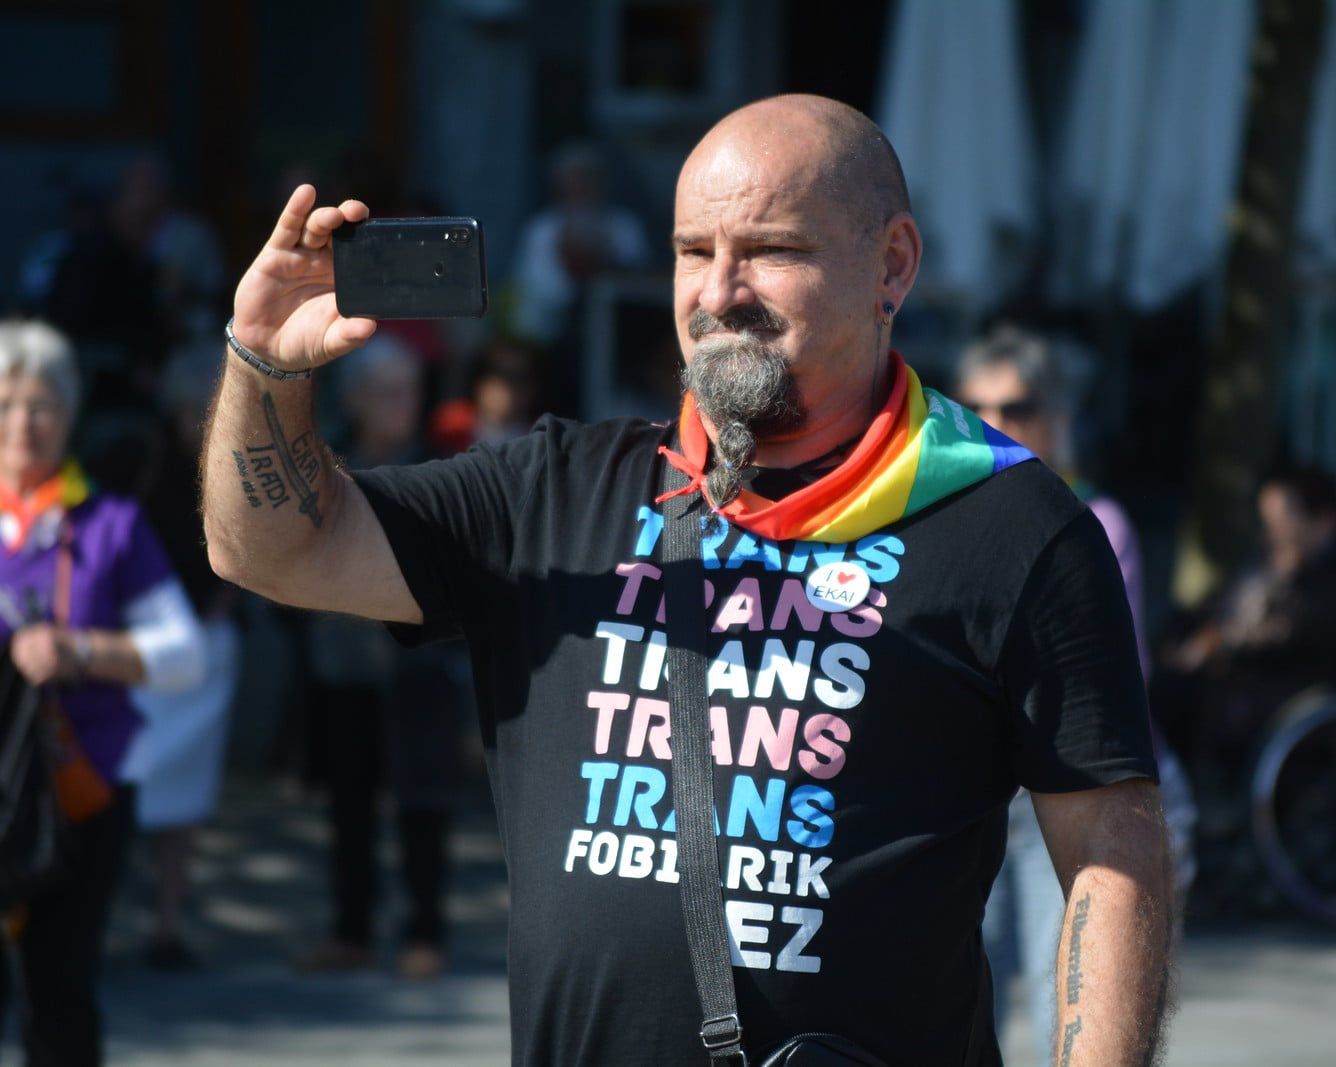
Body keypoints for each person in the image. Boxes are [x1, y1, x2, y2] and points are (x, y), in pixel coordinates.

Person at [201, 94, 1170, 1064]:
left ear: (892, 264)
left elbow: (1110, 849)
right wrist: (263, 364)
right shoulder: (551, 490)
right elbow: (275, 548)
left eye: (772, 249)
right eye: (691, 250)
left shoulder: (1009, 525)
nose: (719, 291)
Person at [954, 325, 1195, 1063]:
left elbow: (1083, 691)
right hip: (969, 796)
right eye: (977, 405)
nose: (997, 422)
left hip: (1065, 799)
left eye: (1018, 405)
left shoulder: (1093, 524)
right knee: (954, 1004)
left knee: (1073, 1018)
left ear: (1057, 418)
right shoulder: (940, 521)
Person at [0, 320, 203, 1066]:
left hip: (78, 795)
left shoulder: (110, 525)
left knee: (57, 994)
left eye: (42, 403)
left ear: (71, 412)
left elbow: (185, 656)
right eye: (7, 403)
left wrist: (79, 651)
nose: (23, 422)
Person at [296, 337, 464, 980]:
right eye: (386, 392)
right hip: (344, 662)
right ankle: (351, 929)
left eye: (408, 391)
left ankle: (426, 930)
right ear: (356, 398)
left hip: (419, 666)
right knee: (348, 804)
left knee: (423, 802)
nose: (401, 405)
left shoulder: (439, 466)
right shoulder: (326, 462)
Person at [119, 341, 245, 969]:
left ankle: (167, 923)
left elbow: (248, 557)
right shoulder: (142, 461)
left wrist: (213, 617)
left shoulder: (240, 459)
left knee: (186, 796)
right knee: (123, 782)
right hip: (139, 647)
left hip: (206, 642)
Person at [1155, 466, 1336, 780]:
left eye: (1281, 521)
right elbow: (1211, 605)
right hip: (1241, 676)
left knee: (1173, 695)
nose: (1271, 531)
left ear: (1322, 522)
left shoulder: (1333, 578)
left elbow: (1292, 635)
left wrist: (1219, 644)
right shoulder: (1264, 563)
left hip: (1278, 689)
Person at [508, 142, 650, 346]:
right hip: (550, 335)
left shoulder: (625, 226)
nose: (579, 188)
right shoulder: (541, 229)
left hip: (618, 333)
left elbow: (638, 284)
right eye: (571, 181)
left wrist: (602, 262)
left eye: (586, 180)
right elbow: (539, 289)